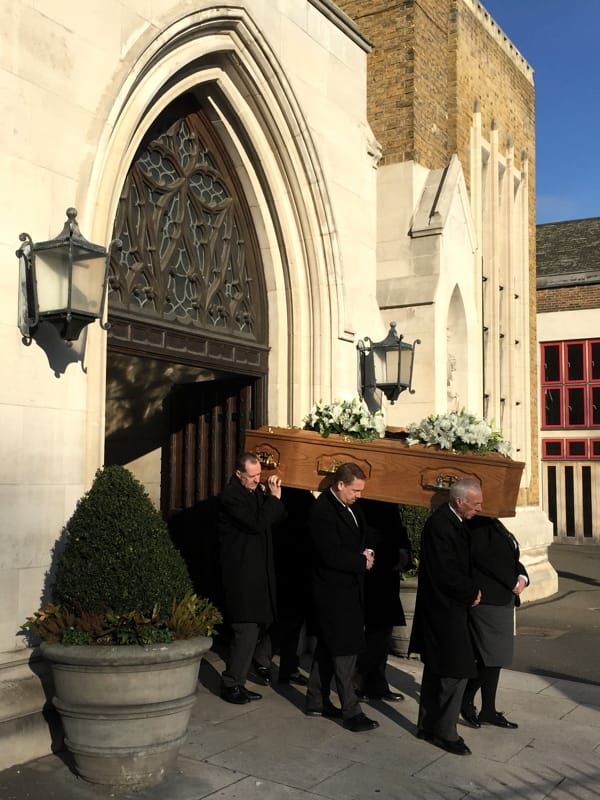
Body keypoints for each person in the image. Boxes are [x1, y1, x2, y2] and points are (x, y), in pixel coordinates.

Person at [409, 479, 483, 756]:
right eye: (475, 504)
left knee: (437, 668)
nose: (479, 508)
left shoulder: (455, 522)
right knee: (455, 670)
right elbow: (446, 570)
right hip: (444, 609)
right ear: (459, 501)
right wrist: (471, 591)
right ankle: (445, 732)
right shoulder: (441, 525)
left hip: (446, 608)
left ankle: (428, 726)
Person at [306, 463, 380, 733]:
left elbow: (364, 532)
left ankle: (316, 700)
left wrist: (368, 551)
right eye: (355, 490)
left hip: (349, 589)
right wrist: (361, 562)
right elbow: (329, 553)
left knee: (328, 646)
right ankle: (351, 710)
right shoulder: (323, 510)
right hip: (332, 592)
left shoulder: (350, 505)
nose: (359, 495)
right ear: (340, 485)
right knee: (344, 651)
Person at [217, 453, 285, 704]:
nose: (257, 480)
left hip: (255, 574)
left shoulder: (253, 492)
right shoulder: (231, 496)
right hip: (241, 575)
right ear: (238, 474)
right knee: (244, 630)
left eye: (259, 475)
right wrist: (274, 499)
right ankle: (231, 684)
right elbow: (256, 523)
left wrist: (271, 499)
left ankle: (239, 682)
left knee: (254, 629)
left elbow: (271, 519)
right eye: (252, 476)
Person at [460, 515, 529, 729]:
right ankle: (465, 698)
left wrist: (522, 576)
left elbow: (511, 557)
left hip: (502, 599)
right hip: (488, 600)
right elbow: (484, 559)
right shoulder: (478, 524)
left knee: (493, 658)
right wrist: (511, 581)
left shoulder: (494, 522)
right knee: (493, 656)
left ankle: (488, 709)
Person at [356, 499, 412, 701]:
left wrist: (404, 553)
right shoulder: (367, 503)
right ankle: (361, 681)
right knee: (374, 634)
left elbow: (397, 530)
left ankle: (376, 683)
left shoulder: (388, 504)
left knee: (382, 634)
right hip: (373, 575)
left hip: (387, 575)